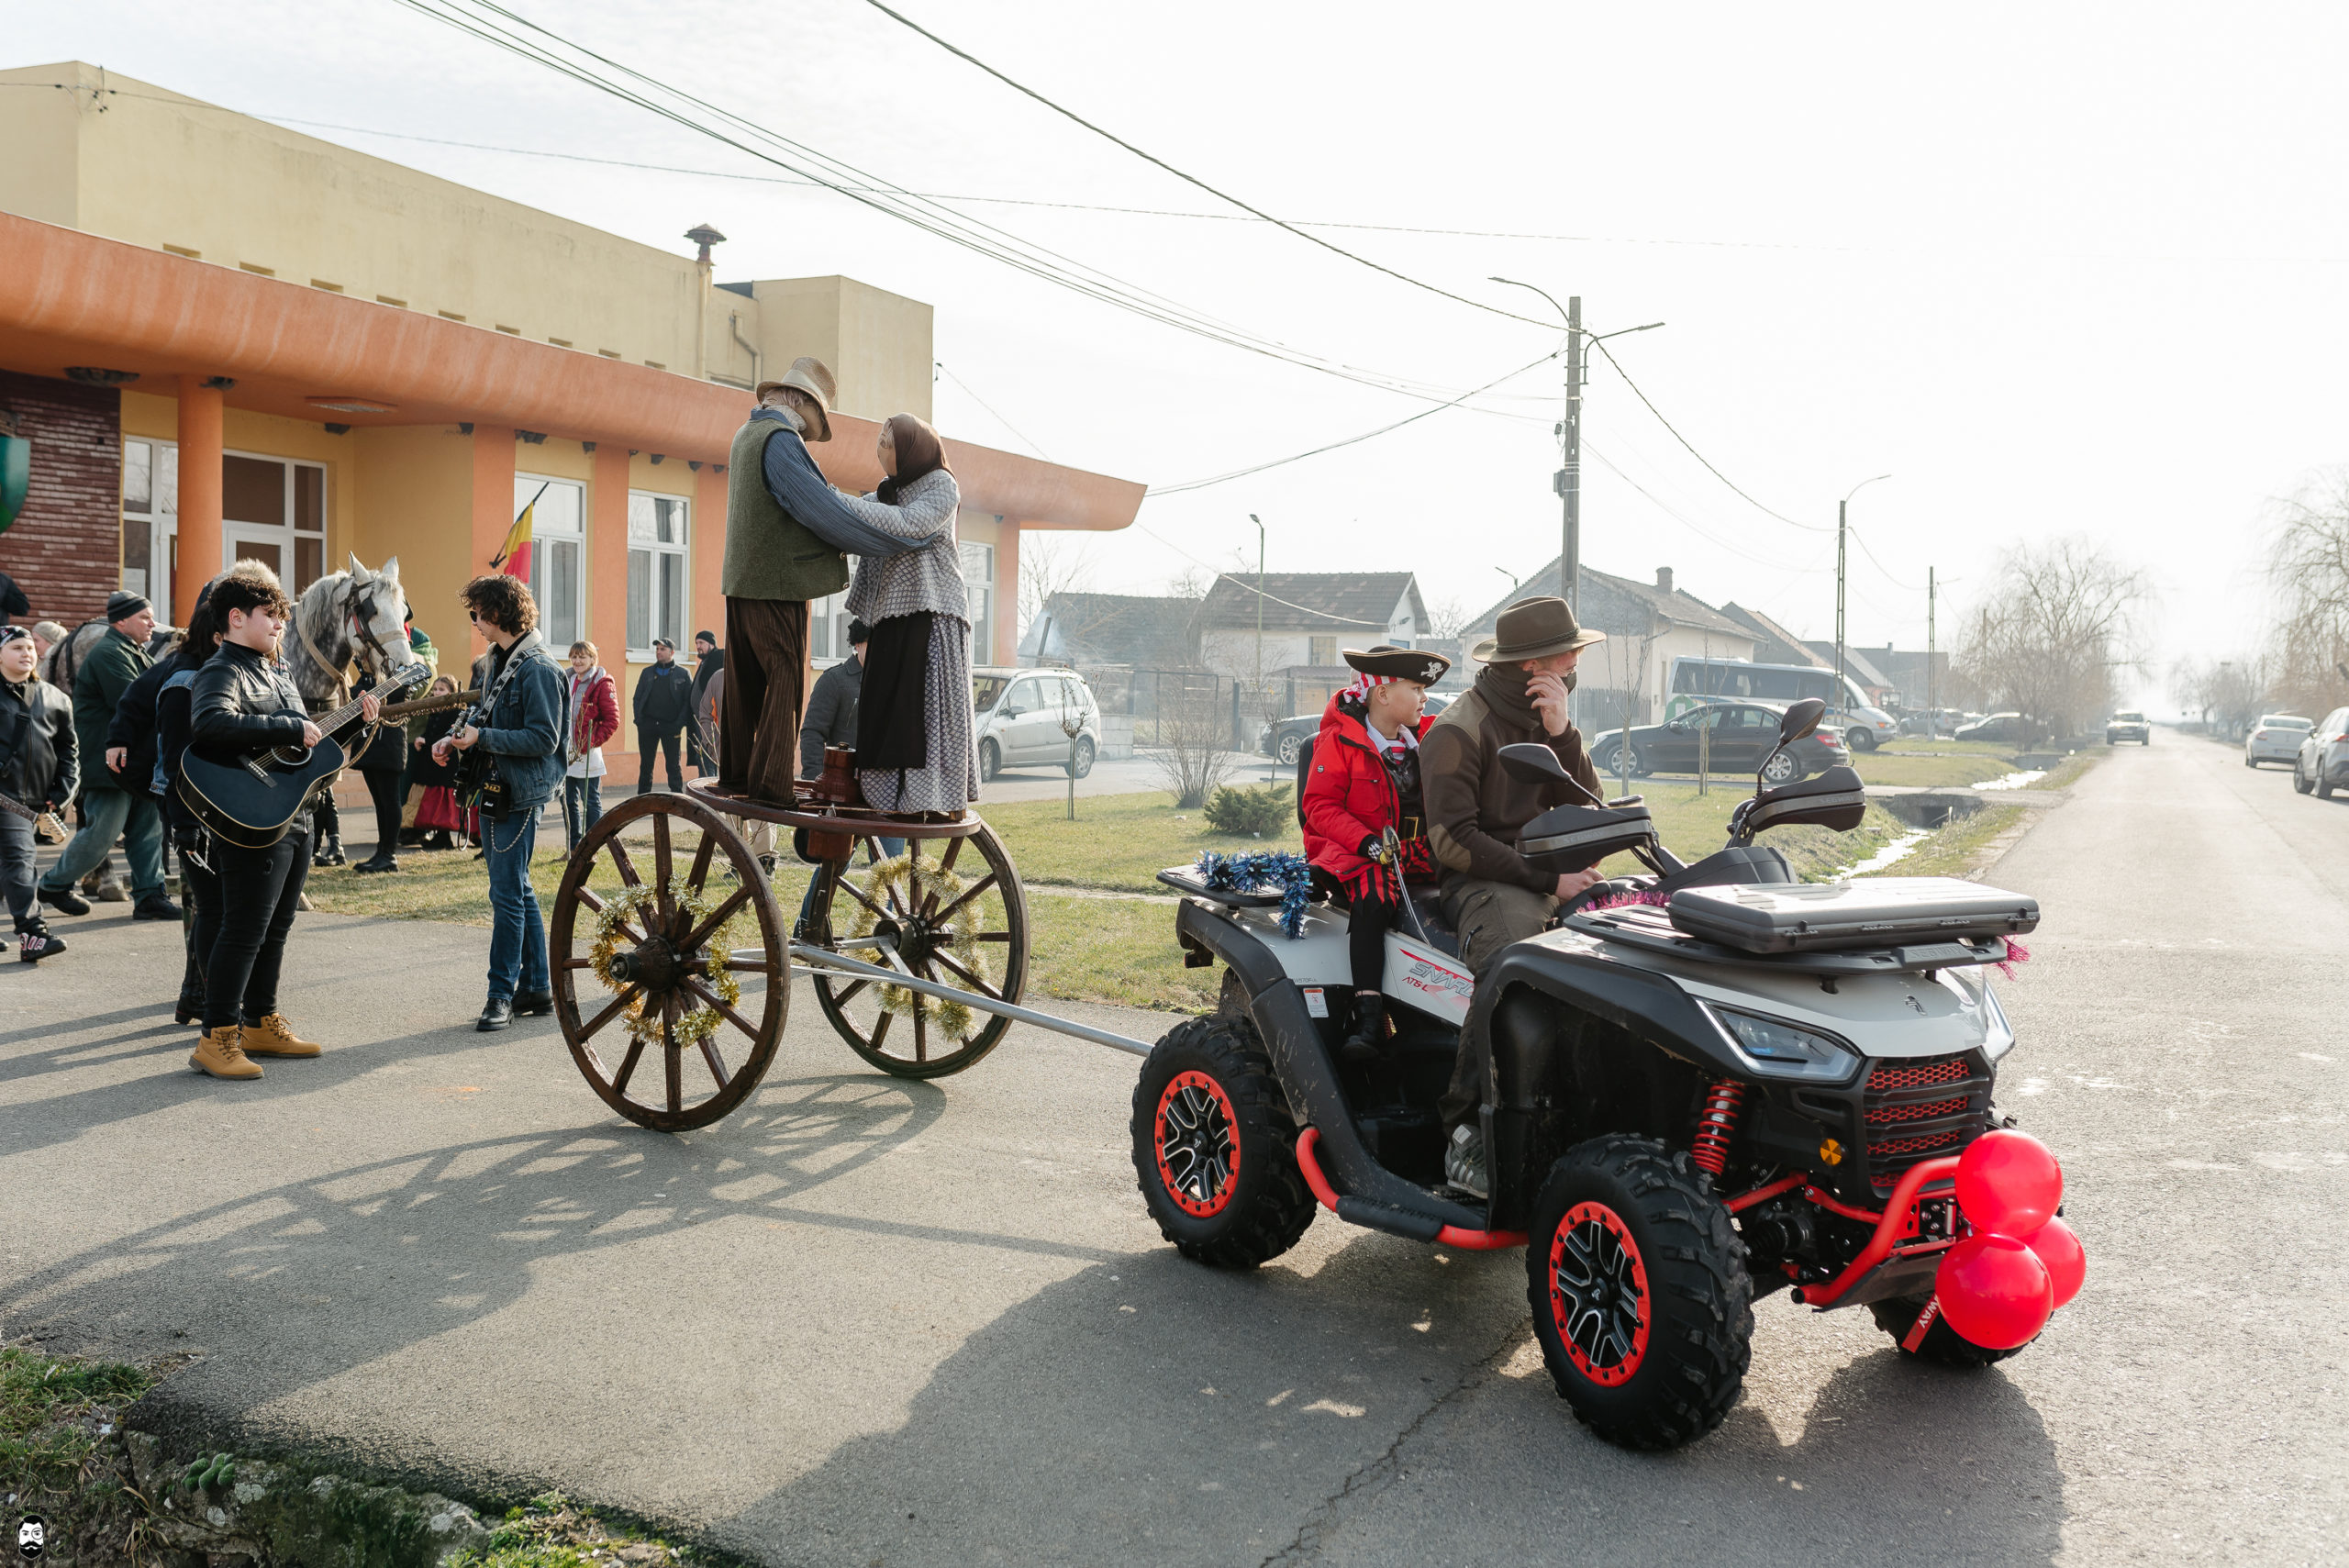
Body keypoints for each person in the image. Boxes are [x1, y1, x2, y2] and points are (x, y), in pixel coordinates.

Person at [1421, 596, 1610, 1196]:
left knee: (1633, 941)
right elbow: (1452, 841)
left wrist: (1564, 735)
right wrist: (1549, 881)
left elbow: (1591, 811)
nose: (1578, 658)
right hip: (1484, 880)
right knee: (1516, 966)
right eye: (1569, 650)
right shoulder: (1459, 728)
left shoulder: (1548, 719)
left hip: (1551, 872)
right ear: (1533, 665)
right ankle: (1463, 1134)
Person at [186, 562, 374, 1081]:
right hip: (250, 816)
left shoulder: (278, 670)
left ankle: (260, 1022)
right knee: (244, 928)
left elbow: (309, 746)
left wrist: (360, 719)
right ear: (236, 617)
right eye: (270, 616)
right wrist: (289, 724)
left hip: (295, 812)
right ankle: (217, 1036)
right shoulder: (223, 669)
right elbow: (210, 724)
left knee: (277, 927)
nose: (279, 625)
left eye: (282, 618)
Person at [718, 359, 930, 805]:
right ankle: (772, 788)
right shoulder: (780, 441)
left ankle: (738, 776)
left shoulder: (746, 435)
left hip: (741, 584)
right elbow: (823, 512)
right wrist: (892, 540)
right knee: (785, 683)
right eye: (810, 426)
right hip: (777, 588)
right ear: (801, 407)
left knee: (744, 686)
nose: (807, 435)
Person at [766, 414, 972, 815]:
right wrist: (821, 501)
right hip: (890, 618)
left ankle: (925, 795)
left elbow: (908, 525)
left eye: (888, 438)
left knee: (921, 710)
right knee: (883, 707)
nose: (880, 444)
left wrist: (833, 501)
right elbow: (853, 515)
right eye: (880, 436)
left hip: (931, 614)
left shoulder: (941, 487)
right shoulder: (886, 493)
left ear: (913, 449)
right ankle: (882, 792)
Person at [1300, 645, 1453, 1062]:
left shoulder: (1428, 741)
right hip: (1359, 852)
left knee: (1464, 874)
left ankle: (1448, 1005)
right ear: (1382, 693)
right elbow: (1320, 807)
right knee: (1374, 893)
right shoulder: (1339, 743)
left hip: (1414, 851)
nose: (1425, 698)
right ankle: (1369, 1013)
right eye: (1417, 688)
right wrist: (1365, 841)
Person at [434, 573, 563, 1032]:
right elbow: (482, 714)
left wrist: (481, 736)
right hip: (494, 789)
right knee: (517, 889)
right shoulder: (495, 659)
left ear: (498, 613)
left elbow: (545, 739)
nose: (475, 623)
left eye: (478, 614)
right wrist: (455, 738)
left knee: (507, 894)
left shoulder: (541, 668)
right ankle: (539, 988)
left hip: (520, 794)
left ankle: (500, 995)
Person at [39, 590, 176, 922]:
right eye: (144, 617)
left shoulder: (133, 651)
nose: (152, 624)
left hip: (136, 762)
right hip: (110, 762)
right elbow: (139, 703)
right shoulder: (108, 653)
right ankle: (52, 884)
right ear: (121, 621)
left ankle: (149, 896)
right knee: (102, 833)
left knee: (148, 830)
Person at [157, 576, 226, 1023]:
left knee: (209, 907)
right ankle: (202, 997)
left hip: (216, 809)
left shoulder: (214, 676)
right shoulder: (185, 681)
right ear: (217, 635)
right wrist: (183, 826)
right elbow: (178, 761)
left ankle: (197, 994)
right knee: (209, 907)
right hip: (193, 813)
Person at [0, 624, 76, 962]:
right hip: (5, 797)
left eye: (30, 647)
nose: (26, 653)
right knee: (20, 859)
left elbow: (69, 752)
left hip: (36, 802)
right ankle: (33, 932)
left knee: (9, 862)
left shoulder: (55, 698)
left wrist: (62, 795)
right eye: (16, 647)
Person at [346, 673, 408, 874]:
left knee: (390, 801)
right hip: (370, 744)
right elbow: (355, 689)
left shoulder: (400, 667)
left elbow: (399, 692)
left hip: (389, 742)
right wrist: (361, 692)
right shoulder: (370, 672)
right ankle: (382, 851)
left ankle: (389, 854)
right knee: (380, 802)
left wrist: (368, 693)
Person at [561, 639, 618, 849]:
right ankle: (574, 847)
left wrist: (589, 742)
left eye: (582, 657)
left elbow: (612, 720)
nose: (577, 661)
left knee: (590, 801)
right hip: (566, 752)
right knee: (568, 802)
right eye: (574, 657)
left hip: (587, 753)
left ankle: (593, 845)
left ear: (592, 659)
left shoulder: (602, 683)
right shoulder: (567, 679)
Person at [798, 619, 871, 780]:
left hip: (881, 789)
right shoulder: (834, 680)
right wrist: (815, 780)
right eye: (872, 643)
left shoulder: (890, 683)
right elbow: (813, 732)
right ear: (857, 644)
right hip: (843, 783)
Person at [406, 674, 464, 851]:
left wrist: (427, 741)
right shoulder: (434, 710)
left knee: (442, 797)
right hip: (430, 762)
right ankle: (438, 834)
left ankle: (444, 836)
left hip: (445, 761)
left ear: (451, 692)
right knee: (432, 796)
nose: (436, 692)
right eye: (435, 689)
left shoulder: (455, 712)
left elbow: (448, 734)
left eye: (441, 689)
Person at [631, 637, 692, 793]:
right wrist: (640, 720)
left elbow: (688, 701)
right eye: (657, 649)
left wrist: (679, 724)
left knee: (673, 765)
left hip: (671, 727)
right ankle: (643, 800)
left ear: (672, 652)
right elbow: (637, 698)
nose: (658, 652)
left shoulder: (683, 674)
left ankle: (678, 799)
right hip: (648, 726)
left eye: (662, 649)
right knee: (646, 765)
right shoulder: (647, 673)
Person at [685, 630, 722, 773]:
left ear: (711, 644)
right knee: (702, 755)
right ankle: (706, 786)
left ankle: (709, 788)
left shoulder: (719, 658)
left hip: (712, 719)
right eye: (696, 643)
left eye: (701, 643)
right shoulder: (705, 662)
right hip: (700, 718)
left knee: (709, 756)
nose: (698, 646)